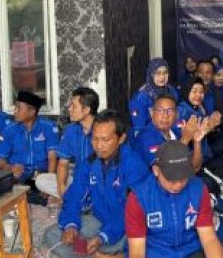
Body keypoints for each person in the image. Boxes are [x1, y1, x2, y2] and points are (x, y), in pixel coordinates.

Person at [44, 110, 148, 258]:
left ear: (121, 138)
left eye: (105, 140)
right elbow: (73, 197)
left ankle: (104, 252)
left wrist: (103, 236)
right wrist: (71, 225)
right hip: (100, 221)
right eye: (95, 139)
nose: (98, 145)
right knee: (53, 234)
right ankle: (101, 254)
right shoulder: (89, 163)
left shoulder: (135, 165)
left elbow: (129, 211)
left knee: (141, 242)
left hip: (126, 226)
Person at [125, 141, 223, 258]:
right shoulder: (138, 198)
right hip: (157, 254)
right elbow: (137, 253)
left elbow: (208, 239)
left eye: (183, 178)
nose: (178, 185)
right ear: (156, 170)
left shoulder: (198, 189)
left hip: (191, 251)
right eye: (171, 179)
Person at [0, 91, 59, 203]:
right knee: (0, 189)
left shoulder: (49, 127)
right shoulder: (9, 129)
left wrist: (49, 181)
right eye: (15, 108)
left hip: (42, 173)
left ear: (31, 112)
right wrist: (9, 167)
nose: (15, 111)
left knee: (47, 189)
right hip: (18, 174)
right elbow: (0, 158)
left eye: (19, 108)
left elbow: (52, 157)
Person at [52, 87, 99, 200]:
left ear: (86, 110)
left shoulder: (103, 128)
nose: (69, 109)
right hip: (78, 179)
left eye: (73, 106)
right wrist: (61, 188)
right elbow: (63, 163)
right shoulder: (70, 130)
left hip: (100, 180)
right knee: (41, 180)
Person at [128, 58, 180, 141]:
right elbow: (139, 129)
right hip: (150, 138)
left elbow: (176, 115)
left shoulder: (171, 91)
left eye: (165, 73)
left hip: (171, 135)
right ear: (151, 74)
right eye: (158, 73)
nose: (162, 77)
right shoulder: (141, 97)